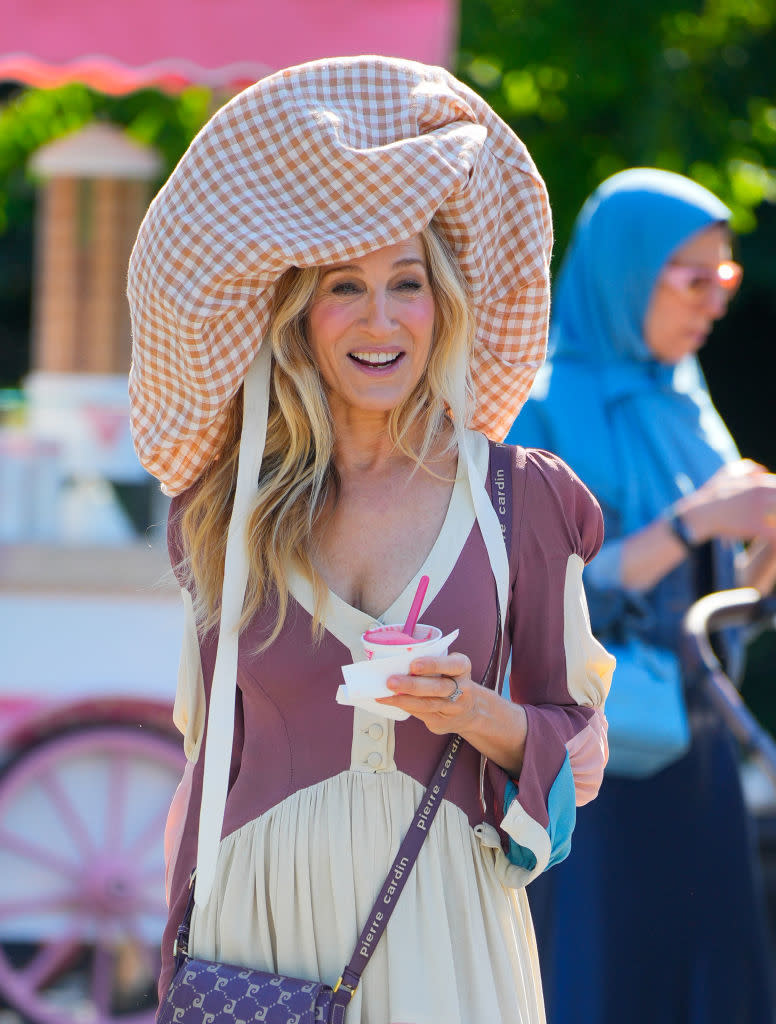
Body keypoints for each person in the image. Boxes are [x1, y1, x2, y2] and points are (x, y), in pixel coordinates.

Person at [127, 57, 615, 1024]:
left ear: (443, 308)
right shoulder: (224, 511)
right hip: (254, 923)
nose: (381, 317)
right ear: (300, 318)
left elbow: (580, 741)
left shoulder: (522, 500)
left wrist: (475, 712)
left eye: (408, 283)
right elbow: (204, 757)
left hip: (444, 917)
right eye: (345, 286)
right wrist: (182, 949)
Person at [506, 167, 776, 1024]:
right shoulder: (537, 407)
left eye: (724, 278)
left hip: (690, 746)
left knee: (701, 979)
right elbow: (531, 595)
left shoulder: (689, 407)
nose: (715, 302)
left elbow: (707, 607)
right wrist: (697, 519)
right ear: (626, 274)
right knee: (597, 977)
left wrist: (762, 557)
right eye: (693, 278)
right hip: (587, 753)